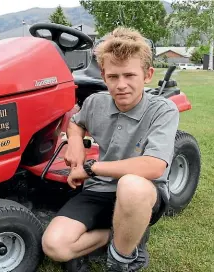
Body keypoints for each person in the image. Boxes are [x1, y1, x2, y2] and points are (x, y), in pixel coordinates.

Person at [42, 27, 179, 272]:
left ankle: (122, 259)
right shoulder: (96, 102)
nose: (121, 85)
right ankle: (118, 236)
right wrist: (75, 144)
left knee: (130, 185)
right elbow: (75, 123)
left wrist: (90, 168)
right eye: (113, 77)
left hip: (143, 193)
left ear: (147, 75)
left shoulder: (163, 110)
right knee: (54, 246)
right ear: (104, 76)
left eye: (130, 75)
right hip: (100, 189)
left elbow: (153, 165)